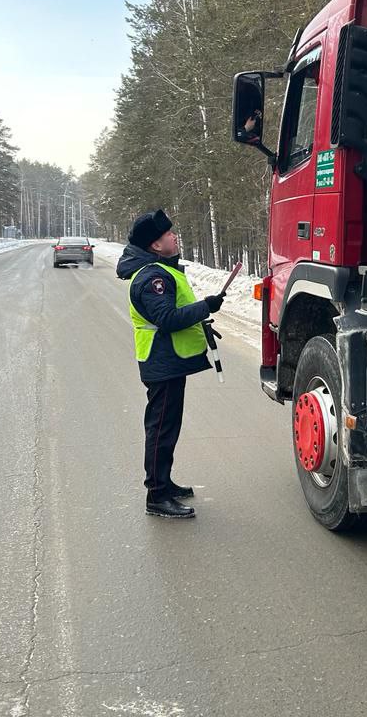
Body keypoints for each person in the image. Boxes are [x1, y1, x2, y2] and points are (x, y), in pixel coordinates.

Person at [116, 209, 225, 519]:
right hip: (161, 362)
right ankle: (156, 495)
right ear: (155, 245)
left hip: (169, 361)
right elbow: (166, 318)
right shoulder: (152, 277)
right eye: (168, 234)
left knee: (168, 426)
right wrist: (205, 306)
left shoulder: (160, 270)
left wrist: (202, 310)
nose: (174, 236)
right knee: (161, 428)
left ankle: (165, 483)